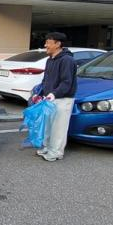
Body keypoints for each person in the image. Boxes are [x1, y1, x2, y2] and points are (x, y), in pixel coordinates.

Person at [36, 32, 78, 162]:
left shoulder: (67, 60)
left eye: (48, 42)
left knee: (59, 128)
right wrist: (40, 93)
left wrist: (54, 93)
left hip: (62, 99)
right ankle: (47, 147)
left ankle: (56, 152)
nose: (45, 45)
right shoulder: (50, 60)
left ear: (58, 44)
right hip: (49, 98)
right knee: (48, 126)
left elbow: (66, 82)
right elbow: (46, 80)